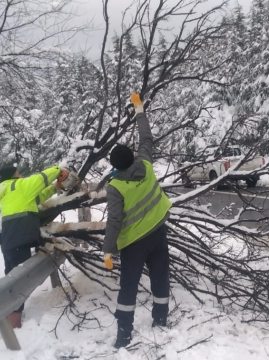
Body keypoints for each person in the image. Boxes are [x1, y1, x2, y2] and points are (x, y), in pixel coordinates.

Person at [103, 93, 173, 348]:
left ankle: (124, 333)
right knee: (160, 276)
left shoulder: (116, 186)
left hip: (133, 243)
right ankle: (161, 319)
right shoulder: (145, 162)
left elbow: (114, 221)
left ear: (115, 167)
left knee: (129, 286)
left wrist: (108, 251)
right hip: (158, 232)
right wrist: (139, 109)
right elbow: (146, 137)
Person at [0, 165, 79, 329]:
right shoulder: (18, 185)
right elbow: (40, 179)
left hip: (10, 241)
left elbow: (38, 197)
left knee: (13, 278)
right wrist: (58, 170)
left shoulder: (9, 191)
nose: (20, 174)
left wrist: (56, 187)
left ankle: (10, 317)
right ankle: (13, 323)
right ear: (13, 175)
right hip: (20, 239)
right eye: (18, 172)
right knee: (20, 282)